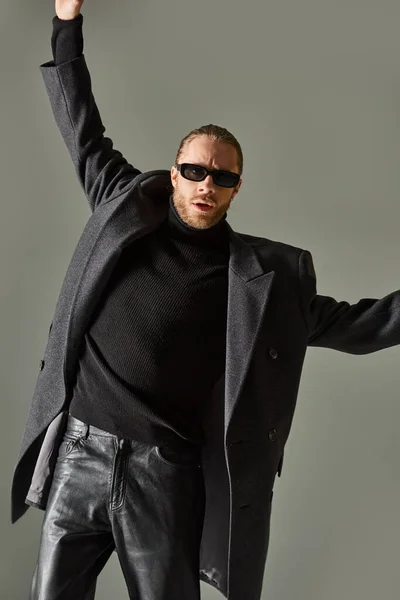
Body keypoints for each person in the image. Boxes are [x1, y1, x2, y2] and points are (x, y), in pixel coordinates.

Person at [10, 1, 400, 599]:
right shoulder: (122, 207)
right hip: (80, 454)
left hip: (162, 473)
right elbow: (80, 122)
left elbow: (358, 325)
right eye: (195, 171)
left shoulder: (258, 279)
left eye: (221, 178)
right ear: (174, 173)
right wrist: (67, 20)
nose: (205, 186)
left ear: (236, 188)